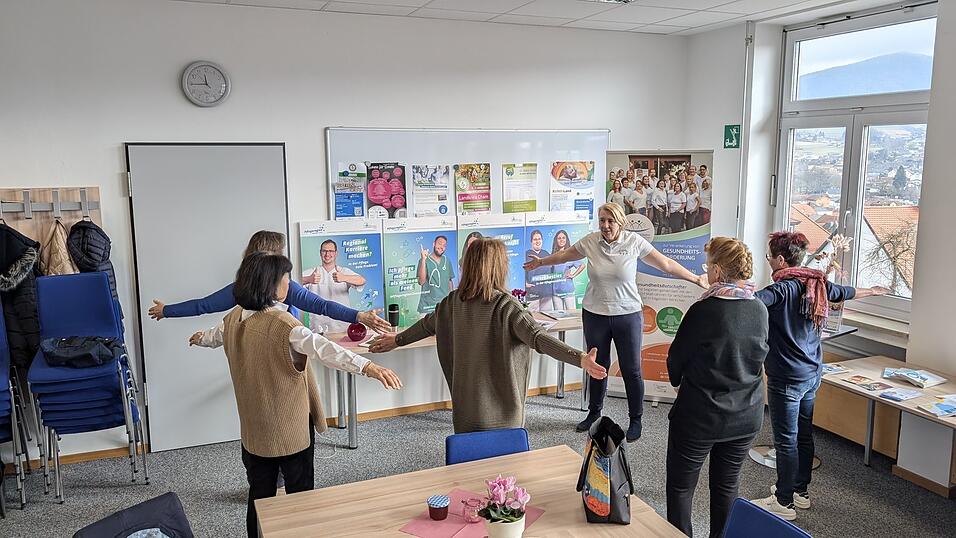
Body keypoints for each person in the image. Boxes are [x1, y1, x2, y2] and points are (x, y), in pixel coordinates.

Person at [188, 252, 402, 538]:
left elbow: (213, 336)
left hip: (253, 432)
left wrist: (199, 338)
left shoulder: (233, 318)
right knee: (301, 497)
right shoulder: (284, 325)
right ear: (269, 284)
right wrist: (369, 366)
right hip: (289, 431)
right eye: (285, 277)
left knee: (260, 496)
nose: (289, 282)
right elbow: (327, 351)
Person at [369, 238, 606, 433]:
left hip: (465, 409)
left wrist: (395, 341)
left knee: (470, 466)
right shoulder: (507, 306)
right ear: (497, 267)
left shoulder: (451, 303)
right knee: (503, 477)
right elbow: (538, 338)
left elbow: (427, 325)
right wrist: (580, 358)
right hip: (504, 412)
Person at [523, 204, 707, 441]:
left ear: (620, 222)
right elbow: (565, 255)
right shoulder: (591, 241)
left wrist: (695, 278)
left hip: (627, 314)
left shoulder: (634, 242)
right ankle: (594, 413)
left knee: (631, 369)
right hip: (594, 313)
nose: (605, 226)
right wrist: (541, 263)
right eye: (602, 220)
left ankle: (635, 419)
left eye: (610, 221)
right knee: (597, 365)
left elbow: (666, 264)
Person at [751, 232, 889, 521]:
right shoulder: (818, 284)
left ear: (779, 259)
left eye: (768, 257)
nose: (769, 262)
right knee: (803, 434)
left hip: (786, 377)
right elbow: (847, 292)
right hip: (812, 374)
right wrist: (874, 291)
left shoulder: (782, 290)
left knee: (786, 440)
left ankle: (784, 502)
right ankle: (800, 492)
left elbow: (751, 301)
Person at [666, 238, 768, 538]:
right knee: (726, 488)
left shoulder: (704, 310)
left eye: (708, 265)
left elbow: (677, 357)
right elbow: (759, 356)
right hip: (746, 416)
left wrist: (678, 381)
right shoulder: (759, 308)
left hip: (700, 416)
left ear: (719, 270)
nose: (706, 270)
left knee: (681, 488)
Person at [148, 231, 391, 333]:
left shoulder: (284, 287)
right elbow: (204, 305)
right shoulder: (245, 288)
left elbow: (323, 306)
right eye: (280, 251)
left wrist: (359, 317)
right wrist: (166, 311)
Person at [300, 239, 367, 333]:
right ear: (320, 253)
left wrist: (344, 278)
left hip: (342, 326)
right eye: (324, 251)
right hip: (318, 328)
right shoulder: (313, 272)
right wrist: (308, 279)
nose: (327, 254)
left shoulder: (343, 271)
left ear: (336, 253)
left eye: (331, 251)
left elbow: (362, 280)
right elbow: (291, 283)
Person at [417, 235, 455, 315]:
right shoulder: (424, 261)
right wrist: (424, 259)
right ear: (434, 244)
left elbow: (450, 281)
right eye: (440, 243)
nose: (442, 247)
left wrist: (452, 300)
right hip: (428, 308)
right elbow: (421, 281)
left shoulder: (447, 260)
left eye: (444, 245)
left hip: (444, 306)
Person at [550, 230, 585, 311]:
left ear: (566, 240)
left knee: (571, 314)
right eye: (559, 238)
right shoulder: (552, 255)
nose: (561, 240)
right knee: (558, 316)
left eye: (563, 238)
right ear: (556, 240)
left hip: (567, 291)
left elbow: (582, 265)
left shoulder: (570, 254)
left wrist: (573, 275)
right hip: (555, 292)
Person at [524, 229, 552, 311]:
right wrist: (525, 283)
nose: (537, 241)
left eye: (539, 239)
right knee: (532, 319)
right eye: (535, 239)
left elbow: (553, 270)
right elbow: (519, 271)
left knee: (547, 318)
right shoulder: (526, 254)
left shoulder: (546, 254)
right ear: (531, 241)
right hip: (532, 294)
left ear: (542, 240)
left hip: (546, 294)